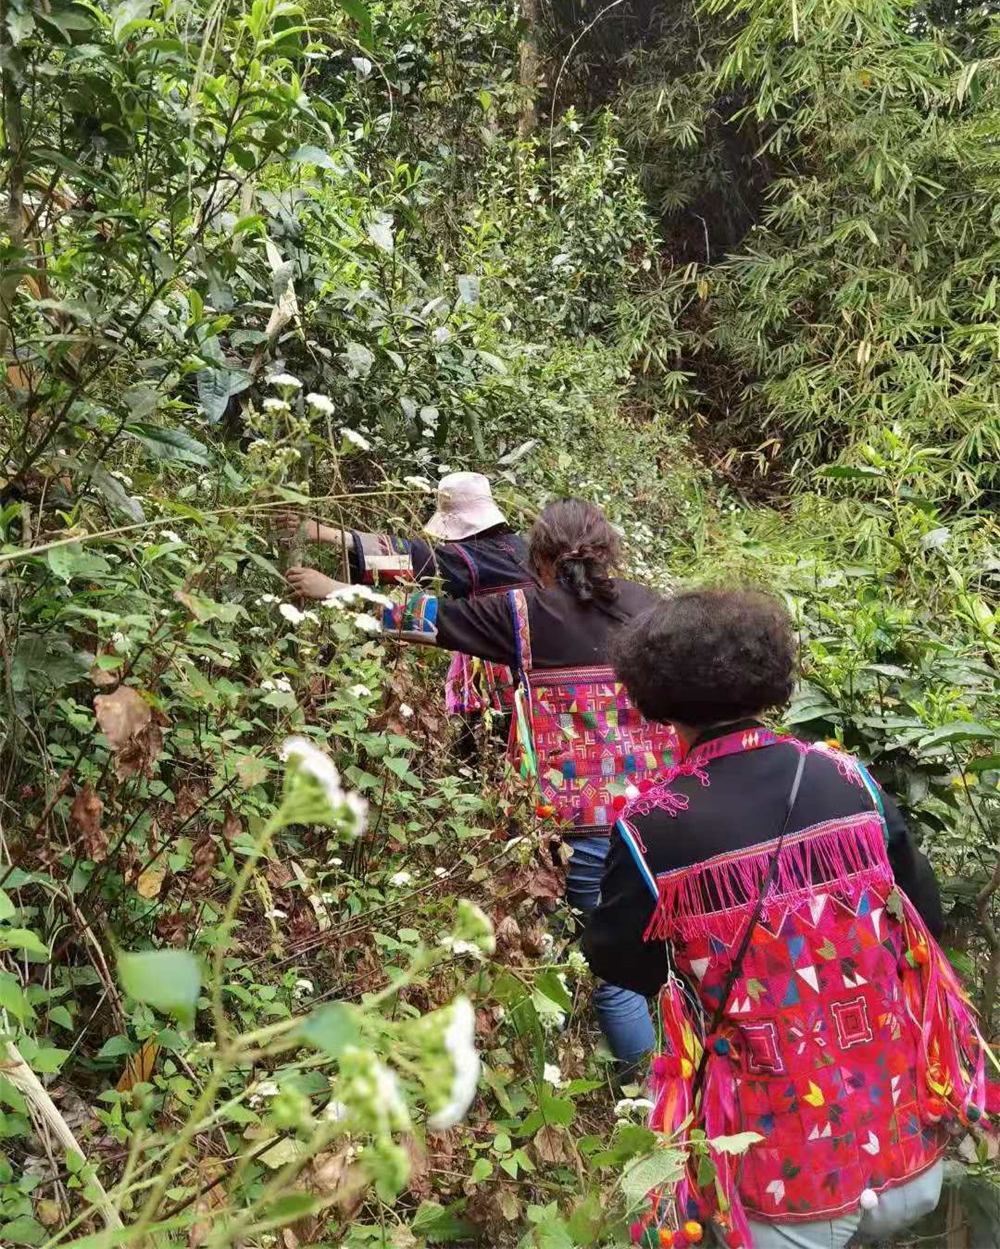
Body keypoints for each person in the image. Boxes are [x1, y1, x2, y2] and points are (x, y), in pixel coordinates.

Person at [585, 589, 990, 1249]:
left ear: (652, 696)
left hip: (778, 1184)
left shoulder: (652, 825)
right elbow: (926, 919)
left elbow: (618, 957)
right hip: (904, 1149)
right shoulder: (848, 778)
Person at [292, 497, 677, 1073]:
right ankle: (689, 1086)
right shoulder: (653, 608)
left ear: (538, 558)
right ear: (608, 552)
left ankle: (646, 1102)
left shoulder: (524, 612)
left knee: (614, 976)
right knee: (673, 958)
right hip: (665, 818)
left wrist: (334, 591)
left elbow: (425, 618)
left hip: (583, 826)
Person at [279, 472, 533, 734]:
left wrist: (333, 584)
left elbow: (419, 564)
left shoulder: (473, 558)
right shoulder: (520, 548)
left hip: (507, 689)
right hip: (532, 681)